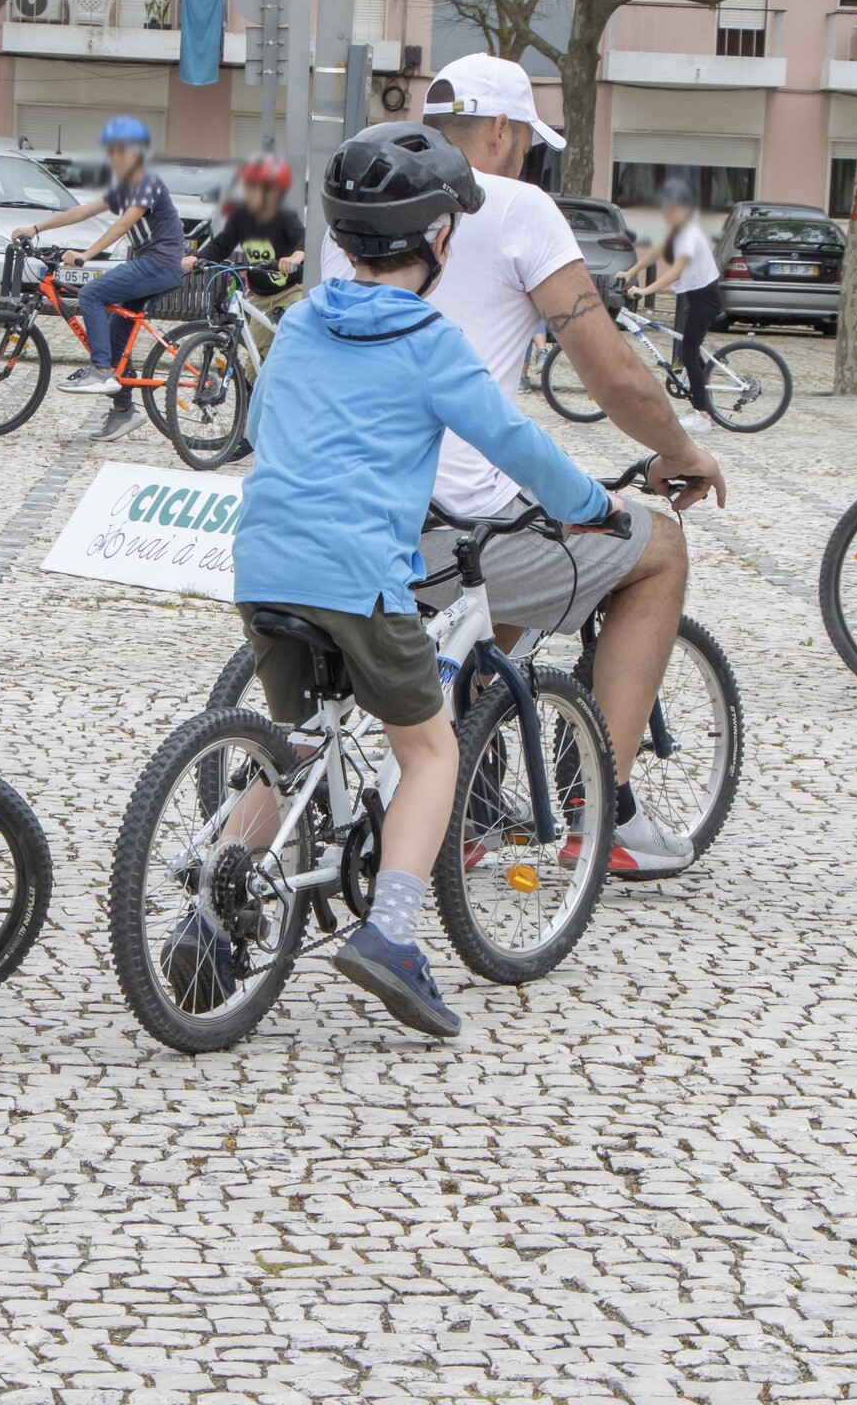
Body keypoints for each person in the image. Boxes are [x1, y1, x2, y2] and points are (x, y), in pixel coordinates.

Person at [231, 122, 621, 1039]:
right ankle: (393, 939)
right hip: (359, 575)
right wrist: (590, 502)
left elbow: (268, 427)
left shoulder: (296, 321)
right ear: (438, 239)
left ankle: (214, 923)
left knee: (294, 746)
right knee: (431, 750)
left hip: (263, 562)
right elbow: (515, 442)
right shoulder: (429, 339)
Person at [319, 53, 725, 880]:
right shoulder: (516, 206)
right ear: (501, 132)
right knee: (657, 552)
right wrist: (681, 451)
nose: (530, 159)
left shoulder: (358, 203)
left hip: (346, 514)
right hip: (449, 526)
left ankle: (461, 809)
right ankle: (595, 811)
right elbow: (609, 372)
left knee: (499, 566)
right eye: (529, 143)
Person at [18, 115, 186, 443]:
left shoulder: (146, 181)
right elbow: (81, 211)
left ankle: (102, 371)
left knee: (91, 294)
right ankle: (124, 411)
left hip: (158, 264)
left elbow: (124, 224)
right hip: (150, 265)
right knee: (112, 339)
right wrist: (35, 228)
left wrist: (86, 254)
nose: (115, 156)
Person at [631, 178, 723, 430]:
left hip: (705, 297)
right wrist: (630, 272)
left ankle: (702, 415)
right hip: (697, 295)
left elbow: (675, 271)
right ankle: (703, 399)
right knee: (691, 351)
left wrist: (645, 290)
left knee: (688, 354)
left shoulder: (688, 234)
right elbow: (657, 252)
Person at [188, 152, 306, 342]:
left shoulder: (284, 216)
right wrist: (197, 258)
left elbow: (302, 236)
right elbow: (222, 244)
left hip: (290, 292)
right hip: (260, 297)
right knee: (255, 361)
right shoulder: (241, 217)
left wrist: (296, 257)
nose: (249, 192)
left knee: (291, 341)